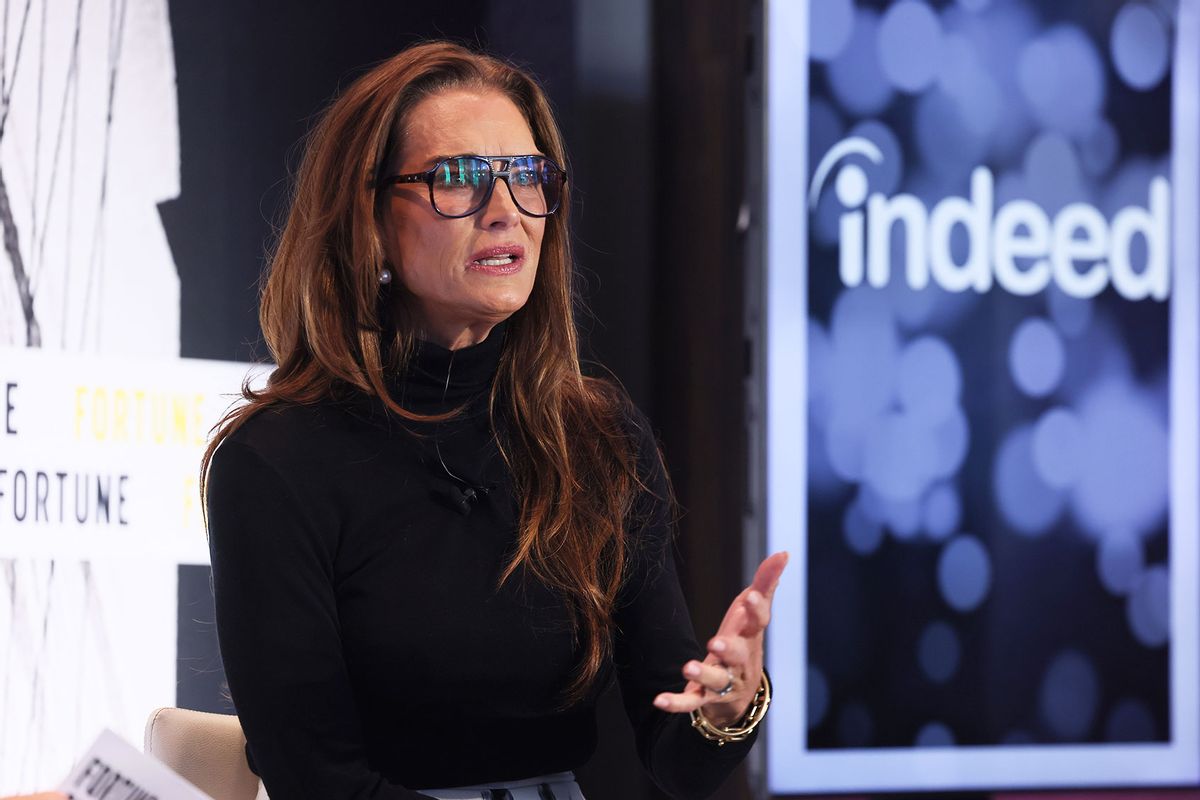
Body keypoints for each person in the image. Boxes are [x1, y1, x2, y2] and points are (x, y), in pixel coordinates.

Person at [200, 41, 788, 800]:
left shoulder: (598, 436)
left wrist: (727, 707)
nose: (506, 209)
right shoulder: (276, 461)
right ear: (369, 219)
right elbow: (316, 778)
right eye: (460, 178)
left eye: (529, 176)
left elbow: (677, 756)